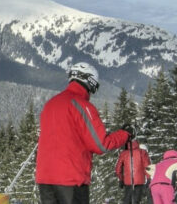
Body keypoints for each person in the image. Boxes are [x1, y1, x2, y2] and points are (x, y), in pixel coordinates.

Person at [36, 63, 132, 204]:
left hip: (45, 178)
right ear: (90, 82)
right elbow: (101, 145)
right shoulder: (82, 105)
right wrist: (125, 134)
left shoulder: (50, 104)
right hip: (70, 178)